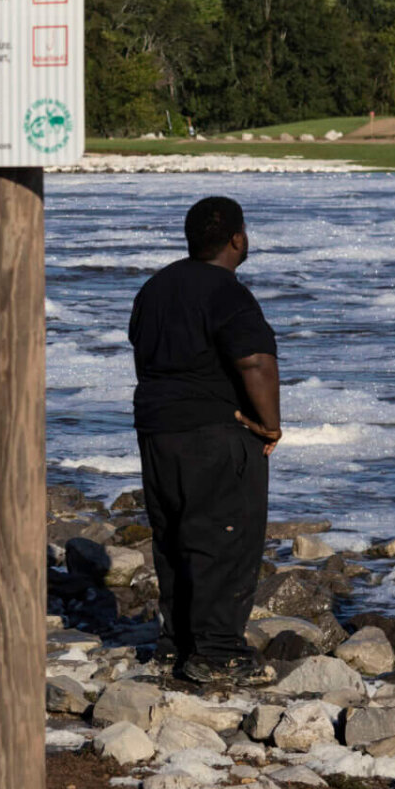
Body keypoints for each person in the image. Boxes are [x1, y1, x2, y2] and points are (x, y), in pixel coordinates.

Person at [129, 196, 282, 687]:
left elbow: (144, 355)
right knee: (224, 539)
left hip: (157, 431)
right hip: (215, 431)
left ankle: (177, 644)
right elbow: (255, 361)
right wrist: (270, 425)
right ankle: (217, 653)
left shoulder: (154, 288)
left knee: (175, 537)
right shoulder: (228, 292)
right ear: (237, 238)